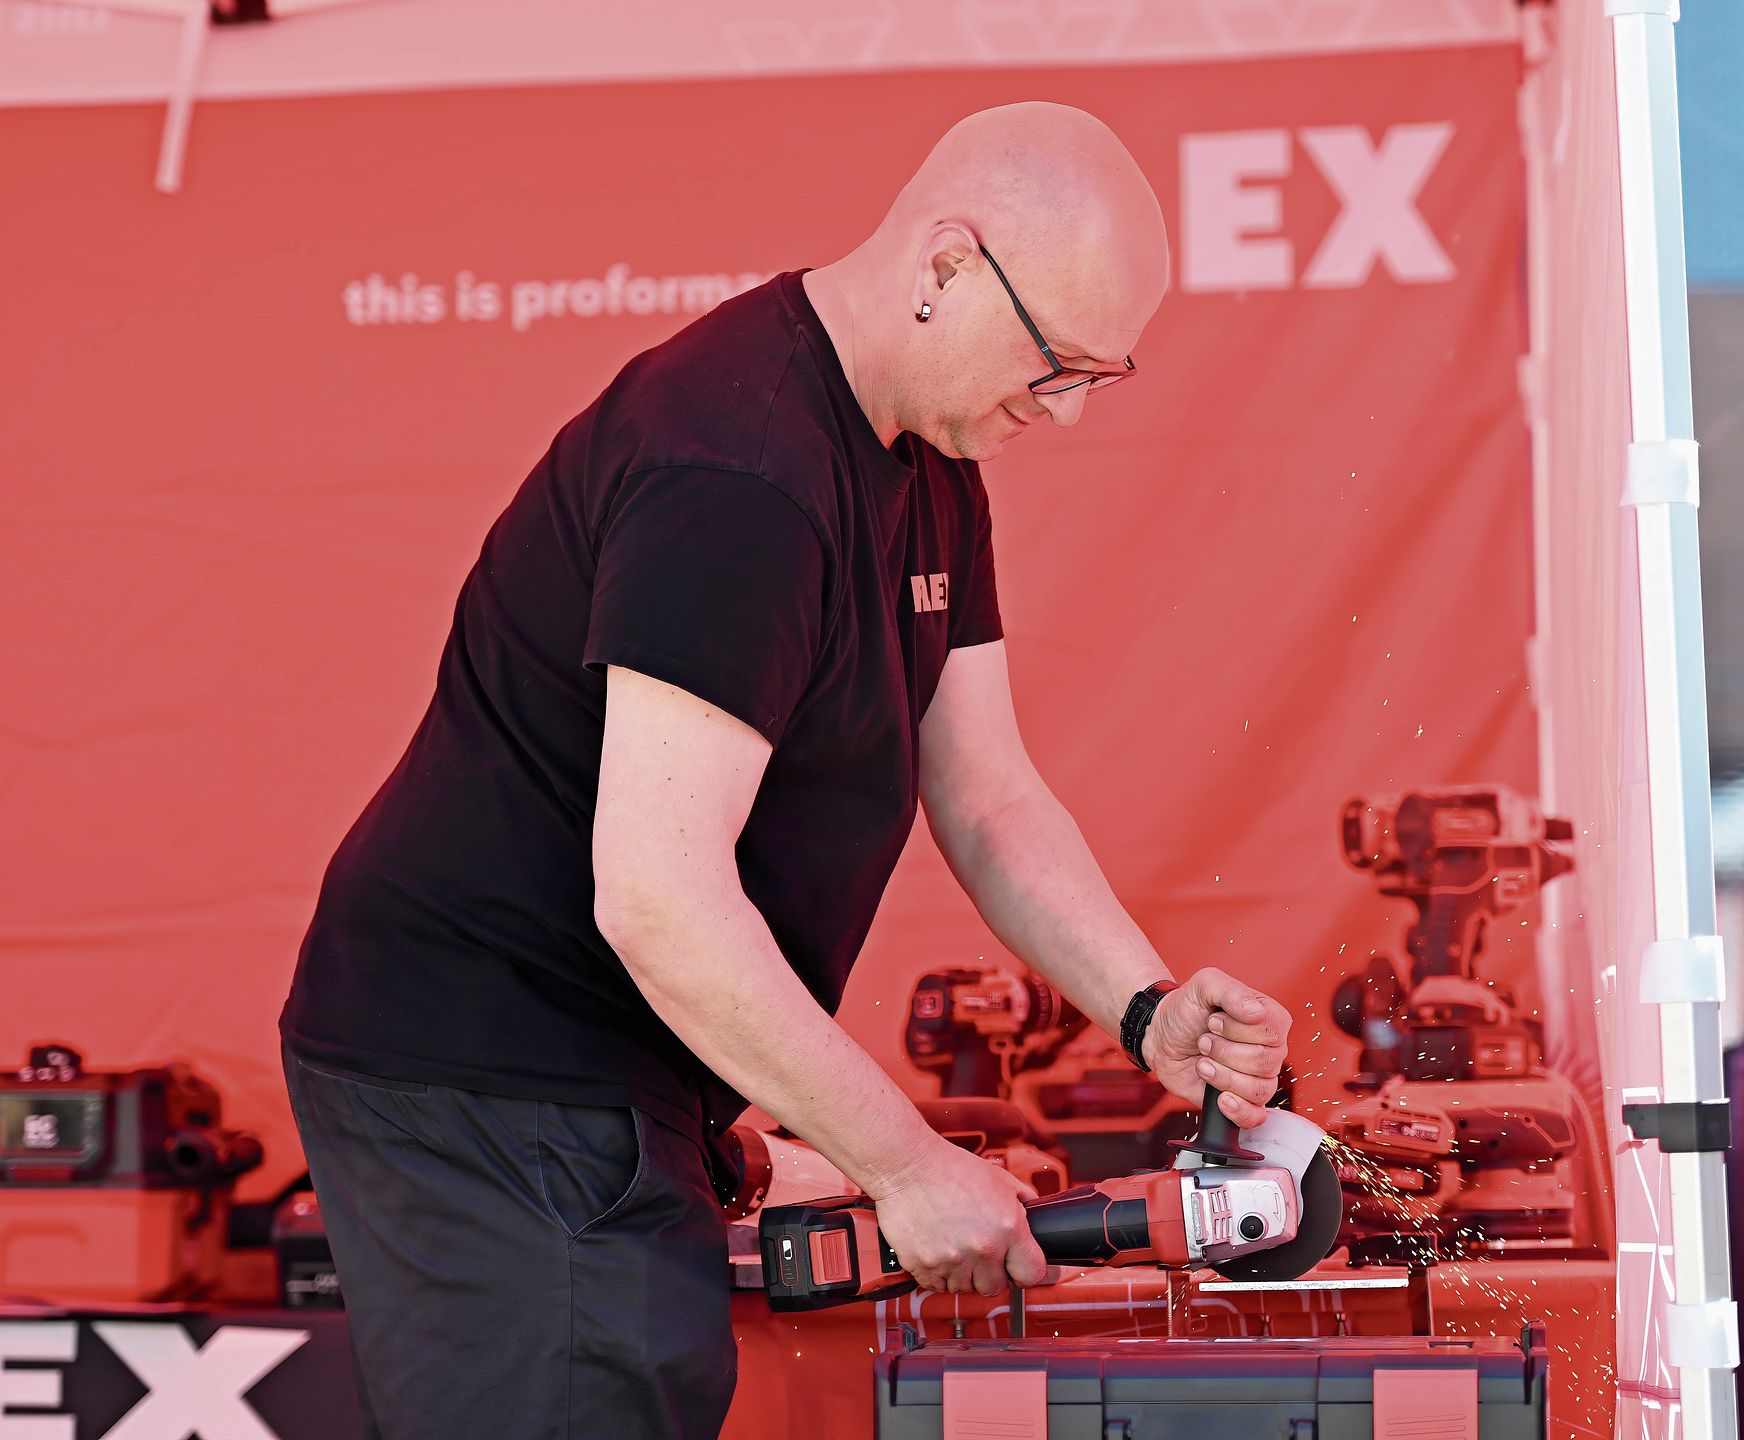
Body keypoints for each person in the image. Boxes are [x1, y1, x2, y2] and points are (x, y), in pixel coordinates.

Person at [279, 100, 1293, 1440]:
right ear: (945, 266)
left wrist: (1144, 1006)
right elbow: (656, 894)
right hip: (487, 1066)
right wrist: (905, 1165)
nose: (1066, 413)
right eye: (1058, 368)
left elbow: (987, 797)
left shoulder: (933, 458)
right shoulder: (738, 472)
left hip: (615, 1064)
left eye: (1098, 380)